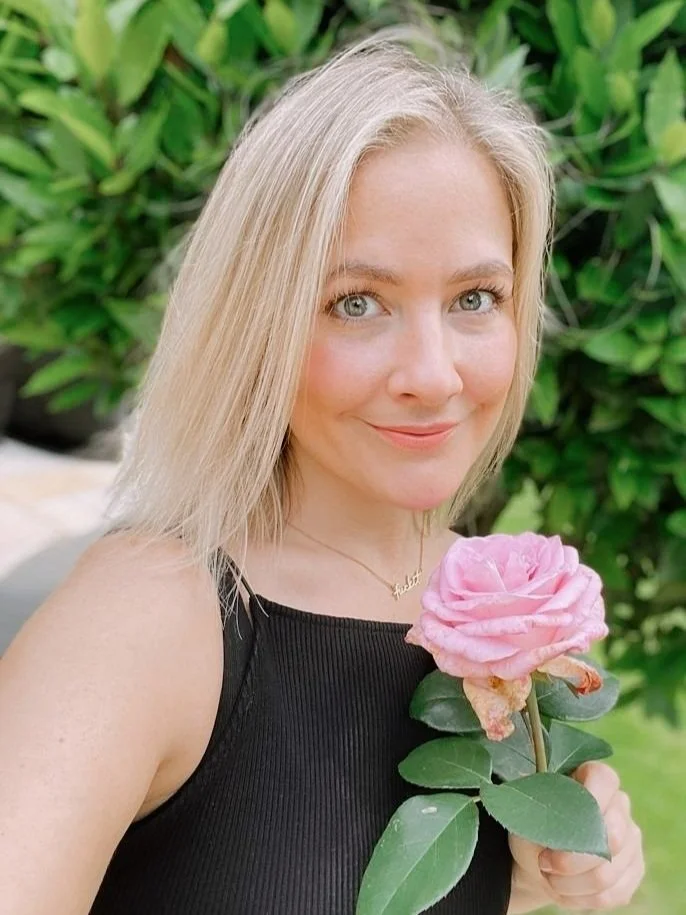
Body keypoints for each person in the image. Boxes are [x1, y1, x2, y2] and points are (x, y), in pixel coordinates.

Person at [0, 27, 644, 915]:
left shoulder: (496, 624)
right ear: (257, 323)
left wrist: (527, 883)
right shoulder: (147, 617)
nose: (433, 373)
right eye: (356, 302)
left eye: (473, 298)